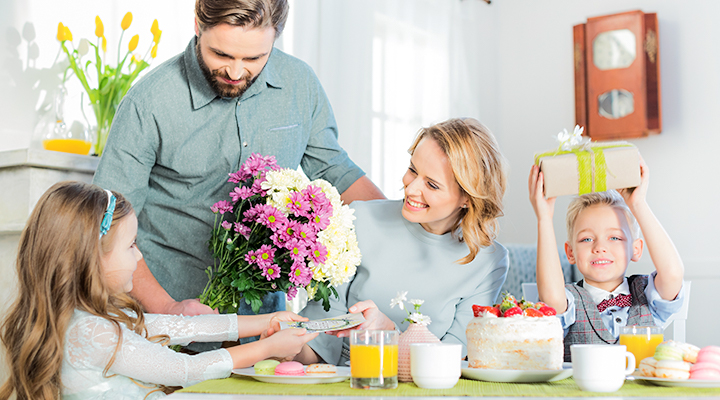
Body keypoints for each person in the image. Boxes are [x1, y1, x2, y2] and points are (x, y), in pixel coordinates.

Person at [92, 0, 384, 318]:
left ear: (275, 37)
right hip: (164, 315)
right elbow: (108, 222)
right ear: (196, 26)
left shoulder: (300, 84)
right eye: (221, 54)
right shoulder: (148, 102)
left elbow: (334, 171)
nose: (235, 72)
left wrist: (409, 228)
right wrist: (168, 308)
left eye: (254, 58)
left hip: (261, 320)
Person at [0, 181, 318, 400]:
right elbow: (185, 369)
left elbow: (185, 327)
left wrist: (268, 320)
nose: (139, 257)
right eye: (131, 245)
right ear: (92, 257)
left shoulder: (91, 319)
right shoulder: (91, 331)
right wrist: (266, 347)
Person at [295, 118, 509, 365]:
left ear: (467, 199)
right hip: (346, 381)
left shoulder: (488, 262)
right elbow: (317, 340)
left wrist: (391, 335)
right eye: (413, 170)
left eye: (432, 184)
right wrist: (285, 346)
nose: (411, 188)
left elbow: (452, 360)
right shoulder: (359, 219)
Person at [528, 159, 685, 361]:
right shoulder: (568, 300)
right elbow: (550, 297)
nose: (599, 247)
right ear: (571, 253)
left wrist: (638, 204)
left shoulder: (647, 296)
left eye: (615, 238)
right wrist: (544, 218)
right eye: (586, 239)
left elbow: (672, 274)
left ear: (635, 249)